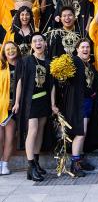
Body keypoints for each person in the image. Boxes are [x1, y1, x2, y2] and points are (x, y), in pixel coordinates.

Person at [13, 33, 56, 181]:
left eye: (40, 40)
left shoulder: (49, 63)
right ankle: (30, 167)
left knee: (40, 132)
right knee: (33, 130)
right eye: (35, 41)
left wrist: (53, 104)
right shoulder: (26, 61)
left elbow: (52, 86)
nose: (38, 43)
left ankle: (36, 162)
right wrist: (17, 102)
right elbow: (19, 82)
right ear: (31, 45)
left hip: (43, 101)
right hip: (30, 101)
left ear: (45, 43)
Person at [62, 38, 98, 177]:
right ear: (77, 49)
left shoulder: (89, 65)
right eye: (83, 47)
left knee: (84, 132)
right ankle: (74, 164)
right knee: (80, 133)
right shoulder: (74, 62)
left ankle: (79, 159)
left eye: (87, 47)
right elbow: (65, 78)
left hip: (88, 103)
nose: (86, 49)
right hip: (78, 103)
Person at [0, 41, 21, 175]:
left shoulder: (22, 65)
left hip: (13, 107)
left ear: (17, 50)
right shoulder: (1, 67)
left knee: (9, 138)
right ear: (3, 52)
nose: (10, 51)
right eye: (7, 49)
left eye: (13, 48)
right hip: (1, 106)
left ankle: (5, 164)